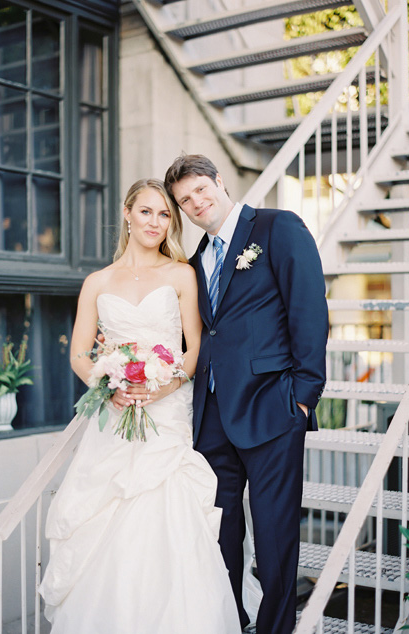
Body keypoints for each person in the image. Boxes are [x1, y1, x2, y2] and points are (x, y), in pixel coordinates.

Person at [39, 178, 242, 634]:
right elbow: (77, 353)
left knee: (166, 518)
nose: (155, 222)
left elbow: (194, 349)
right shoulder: (97, 282)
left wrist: (166, 386)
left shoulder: (180, 274)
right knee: (106, 518)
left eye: (165, 214)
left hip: (167, 414)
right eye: (146, 211)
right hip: (114, 416)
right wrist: (107, 386)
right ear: (127, 213)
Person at [163, 154, 329, 634]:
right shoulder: (195, 260)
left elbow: (308, 312)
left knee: (275, 535)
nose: (196, 203)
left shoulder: (278, 228)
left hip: (272, 405)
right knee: (221, 533)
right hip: (211, 414)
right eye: (185, 200)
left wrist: (304, 394)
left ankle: (276, 629)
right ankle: (230, 621)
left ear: (220, 182)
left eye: (200, 189)